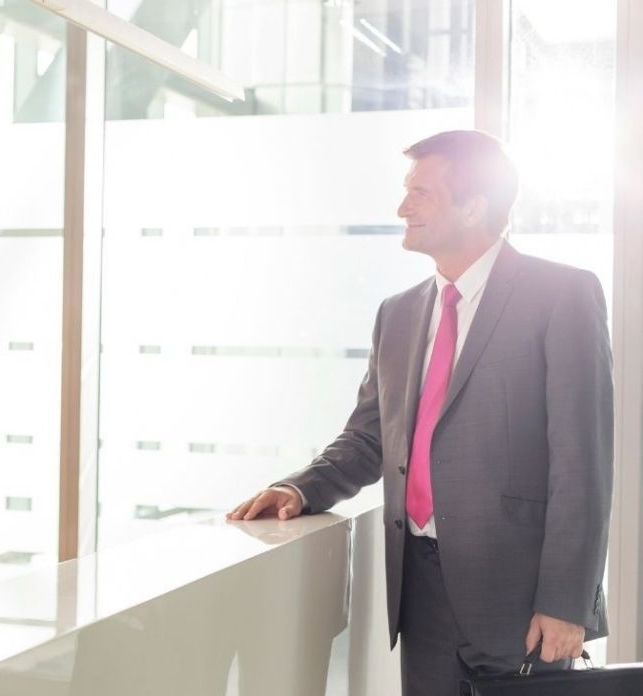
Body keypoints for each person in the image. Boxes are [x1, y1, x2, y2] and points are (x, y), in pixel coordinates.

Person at [228, 131, 612, 696]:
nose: (402, 207)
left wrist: (565, 602)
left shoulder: (562, 295)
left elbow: (584, 464)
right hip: (421, 592)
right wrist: (300, 489)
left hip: (522, 600)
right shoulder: (399, 313)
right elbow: (368, 438)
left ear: (474, 206)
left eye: (421, 192)